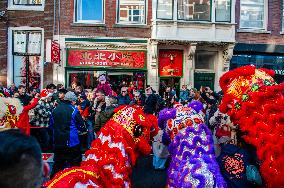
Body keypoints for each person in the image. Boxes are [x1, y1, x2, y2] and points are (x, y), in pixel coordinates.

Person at [49, 91, 86, 178]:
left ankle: (52, 183)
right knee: (75, 165)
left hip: (58, 141)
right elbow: (81, 125)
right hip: (71, 142)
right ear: (72, 101)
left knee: (57, 165)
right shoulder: (74, 110)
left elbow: (51, 126)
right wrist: (82, 130)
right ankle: (74, 182)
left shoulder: (55, 110)